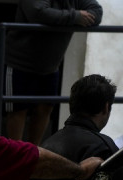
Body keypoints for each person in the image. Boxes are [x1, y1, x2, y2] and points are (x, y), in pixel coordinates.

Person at [5, 0, 103, 145]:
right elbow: (38, 13)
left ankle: (34, 152)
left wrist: (70, 18)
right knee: (18, 110)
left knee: (45, 110)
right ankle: (14, 154)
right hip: (20, 63)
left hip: (50, 66)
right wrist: (75, 17)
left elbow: (96, 11)